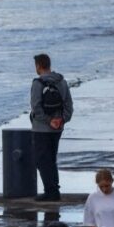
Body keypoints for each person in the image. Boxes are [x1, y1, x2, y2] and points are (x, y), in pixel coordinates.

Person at [29, 53, 73, 201]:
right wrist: (62, 120)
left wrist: (48, 121)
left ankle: (51, 191)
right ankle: (54, 189)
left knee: (41, 160)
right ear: (49, 64)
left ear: (38, 66)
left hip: (41, 128)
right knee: (51, 159)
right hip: (57, 128)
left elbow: (36, 108)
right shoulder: (61, 81)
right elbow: (68, 105)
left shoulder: (37, 83)